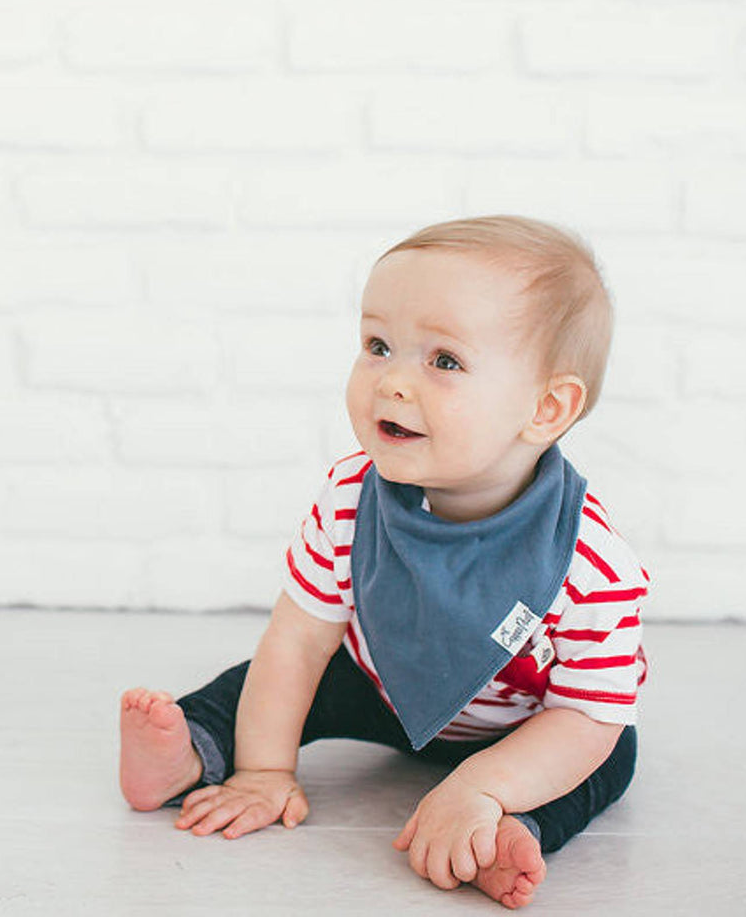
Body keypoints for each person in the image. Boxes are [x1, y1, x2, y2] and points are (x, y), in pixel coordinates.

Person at [119, 215, 649, 911]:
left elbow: (585, 714)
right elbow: (296, 641)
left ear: (546, 408)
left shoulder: (589, 561)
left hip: (526, 726)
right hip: (383, 686)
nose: (393, 382)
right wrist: (265, 769)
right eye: (378, 345)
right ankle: (191, 750)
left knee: (606, 759)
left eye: (445, 361)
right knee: (262, 680)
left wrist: (483, 782)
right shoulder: (352, 496)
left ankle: (501, 829)